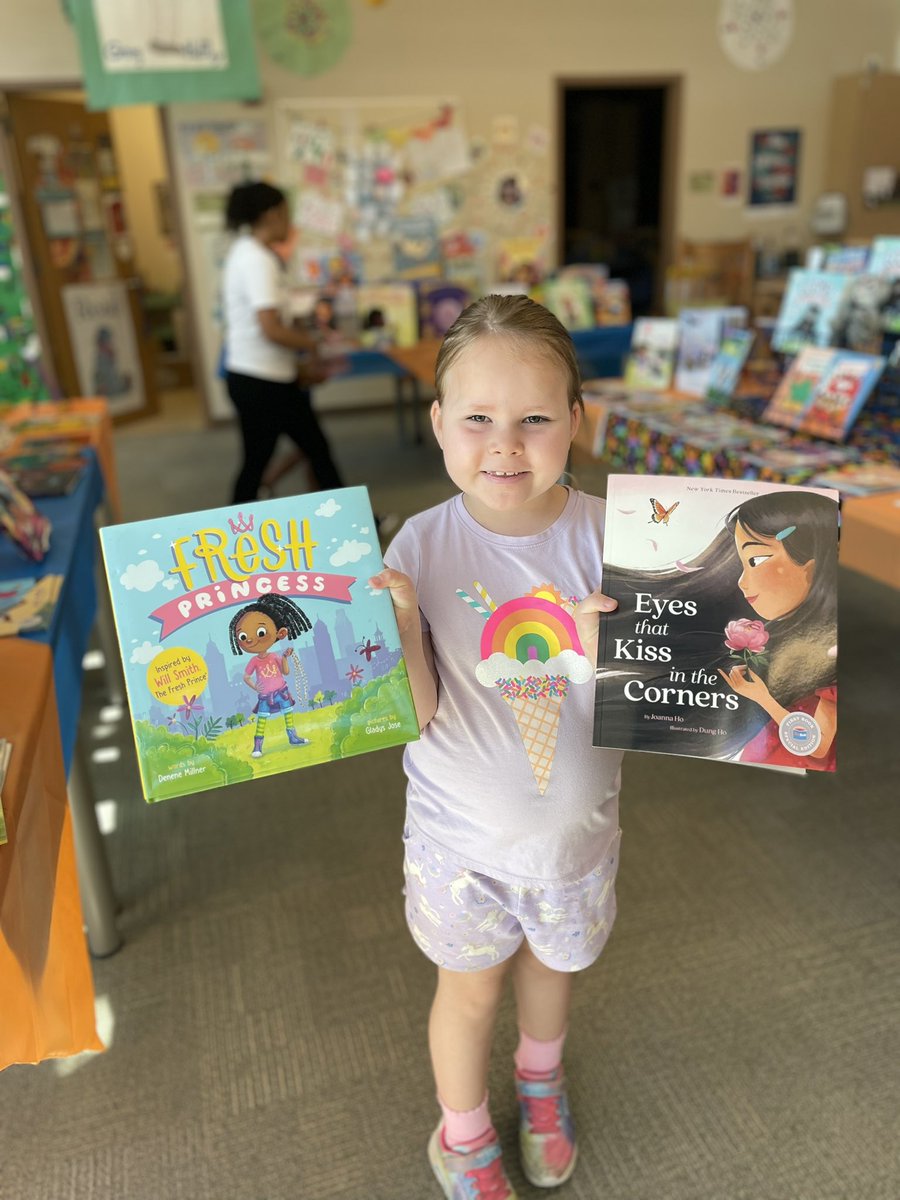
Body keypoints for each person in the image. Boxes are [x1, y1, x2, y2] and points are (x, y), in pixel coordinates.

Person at [370, 294, 624, 1198]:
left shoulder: (616, 538)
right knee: (470, 990)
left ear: (576, 421)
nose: (505, 445)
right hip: (460, 845)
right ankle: (464, 1132)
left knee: (553, 973)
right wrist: (402, 629)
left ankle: (540, 1083)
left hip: (575, 838)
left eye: (535, 420)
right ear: (440, 423)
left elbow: (662, 704)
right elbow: (416, 711)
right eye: (478, 419)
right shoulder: (419, 546)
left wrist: (613, 656)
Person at [222, 181, 345, 504]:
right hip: (262, 382)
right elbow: (271, 328)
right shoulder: (256, 259)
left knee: (308, 451)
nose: (290, 223)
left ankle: (354, 520)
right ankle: (356, 521)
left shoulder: (250, 253)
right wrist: (312, 345)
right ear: (271, 215)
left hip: (264, 376)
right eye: (286, 214)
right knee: (282, 456)